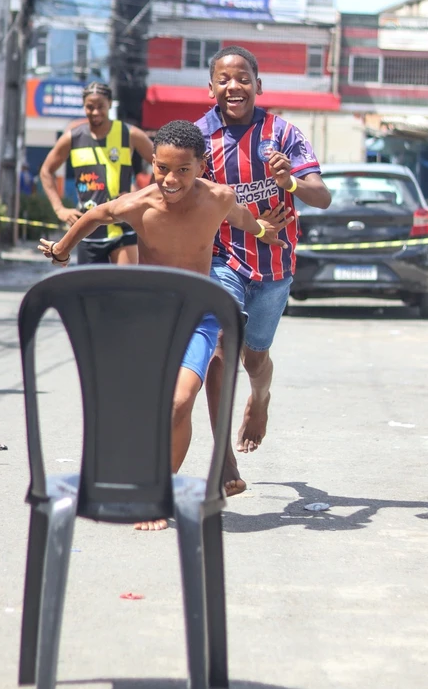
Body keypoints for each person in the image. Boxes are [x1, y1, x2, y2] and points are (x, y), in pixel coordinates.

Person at [39, 119, 291, 530]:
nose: (170, 180)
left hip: (199, 317)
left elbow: (244, 219)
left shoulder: (219, 198)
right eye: (161, 168)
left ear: (202, 166)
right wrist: (63, 251)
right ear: (152, 163)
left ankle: (160, 492)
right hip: (150, 319)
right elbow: (95, 216)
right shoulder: (140, 204)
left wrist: (265, 229)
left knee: (179, 401)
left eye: (183, 170)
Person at [196, 46, 332, 493]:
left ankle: (259, 398)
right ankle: (224, 461)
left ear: (258, 83)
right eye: (224, 78)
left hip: (275, 267)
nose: (233, 86)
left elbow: (321, 196)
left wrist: (288, 180)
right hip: (224, 260)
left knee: (254, 358)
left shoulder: (284, 133)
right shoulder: (199, 137)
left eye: (242, 78)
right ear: (212, 86)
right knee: (221, 346)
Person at [40, 81, 154, 265]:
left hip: (123, 225)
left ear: (110, 104)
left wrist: (142, 197)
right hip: (87, 229)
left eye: (100, 106)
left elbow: (160, 163)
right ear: (83, 106)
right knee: (90, 291)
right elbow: (46, 171)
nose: (95, 112)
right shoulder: (73, 137)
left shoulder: (129, 134)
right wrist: (59, 208)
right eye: (89, 107)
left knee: (125, 287)